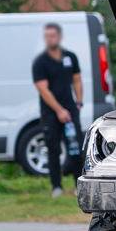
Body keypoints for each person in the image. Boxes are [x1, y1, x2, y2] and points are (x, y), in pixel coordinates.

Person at [32, 23, 83, 198]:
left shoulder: (70, 57)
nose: (49, 39)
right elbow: (43, 90)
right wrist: (59, 111)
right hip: (50, 113)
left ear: (59, 37)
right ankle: (56, 187)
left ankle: (79, 186)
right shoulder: (40, 62)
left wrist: (79, 102)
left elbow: (77, 79)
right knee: (53, 149)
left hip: (70, 110)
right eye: (47, 36)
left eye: (52, 35)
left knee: (76, 148)